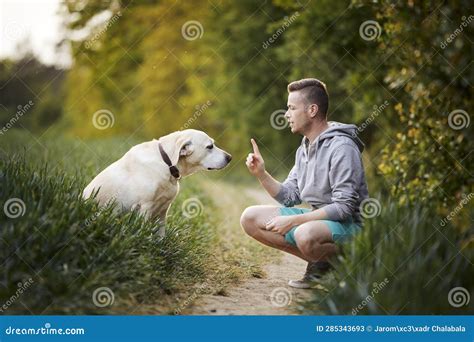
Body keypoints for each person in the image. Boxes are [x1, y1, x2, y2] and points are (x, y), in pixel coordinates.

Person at [240, 78, 369, 289]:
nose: (286, 114)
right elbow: (289, 196)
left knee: (304, 233)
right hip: (319, 224)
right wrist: (262, 174)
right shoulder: (304, 149)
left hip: (351, 227)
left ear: (312, 110)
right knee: (250, 218)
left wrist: (295, 221)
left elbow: (345, 208)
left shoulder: (342, 147)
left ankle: (354, 263)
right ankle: (322, 264)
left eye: (291, 108)